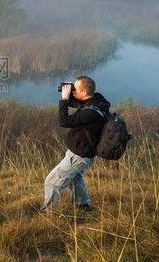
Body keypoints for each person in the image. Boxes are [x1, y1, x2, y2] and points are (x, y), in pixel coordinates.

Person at [40, 75, 110, 212]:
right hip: (82, 153)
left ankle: (48, 212)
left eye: (75, 89)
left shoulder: (90, 113)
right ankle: (82, 204)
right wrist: (71, 93)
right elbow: (79, 103)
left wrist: (64, 99)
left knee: (52, 182)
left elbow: (64, 121)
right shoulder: (96, 101)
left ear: (84, 93)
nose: (73, 91)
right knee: (76, 178)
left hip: (79, 155)